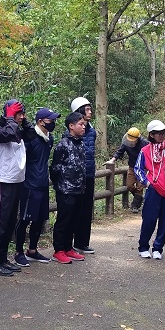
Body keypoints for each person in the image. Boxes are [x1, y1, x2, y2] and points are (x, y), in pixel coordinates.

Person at [0, 99, 28, 276]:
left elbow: (31, 134)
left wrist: (23, 120)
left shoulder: (17, 129)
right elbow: (8, 134)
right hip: (3, 181)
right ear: (8, 114)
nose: (21, 117)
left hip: (16, 181)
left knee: (9, 224)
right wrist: (10, 117)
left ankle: (2, 258)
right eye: (19, 114)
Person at [134, 120, 165, 259]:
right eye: (158, 133)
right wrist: (147, 182)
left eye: (163, 132)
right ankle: (143, 246)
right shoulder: (145, 150)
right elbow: (138, 168)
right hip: (154, 189)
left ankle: (158, 248)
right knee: (149, 219)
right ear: (151, 135)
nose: (162, 135)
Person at [16, 107, 61, 265]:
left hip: (42, 183)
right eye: (50, 120)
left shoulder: (50, 139)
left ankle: (33, 250)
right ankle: (18, 252)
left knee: (40, 219)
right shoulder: (29, 137)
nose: (53, 123)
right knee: (24, 219)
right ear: (40, 122)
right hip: (29, 184)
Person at [49, 112, 88, 263]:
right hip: (65, 189)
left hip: (79, 189)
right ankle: (58, 250)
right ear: (71, 126)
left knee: (74, 220)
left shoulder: (81, 143)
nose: (83, 127)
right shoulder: (62, 145)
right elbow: (55, 168)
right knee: (63, 220)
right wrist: (61, 185)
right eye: (81, 124)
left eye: (84, 124)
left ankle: (68, 248)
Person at [70, 97, 97, 254]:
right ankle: (69, 242)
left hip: (89, 174)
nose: (90, 111)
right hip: (77, 177)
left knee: (87, 209)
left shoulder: (91, 129)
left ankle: (82, 242)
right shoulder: (73, 131)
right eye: (87, 109)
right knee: (76, 210)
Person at [106, 127, 147, 212]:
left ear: (138, 138)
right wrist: (112, 160)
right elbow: (119, 152)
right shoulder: (126, 143)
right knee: (129, 186)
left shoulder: (144, 143)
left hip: (142, 168)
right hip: (132, 167)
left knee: (140, 187)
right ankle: (139, 198)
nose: (131, 141)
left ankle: (135, 206)